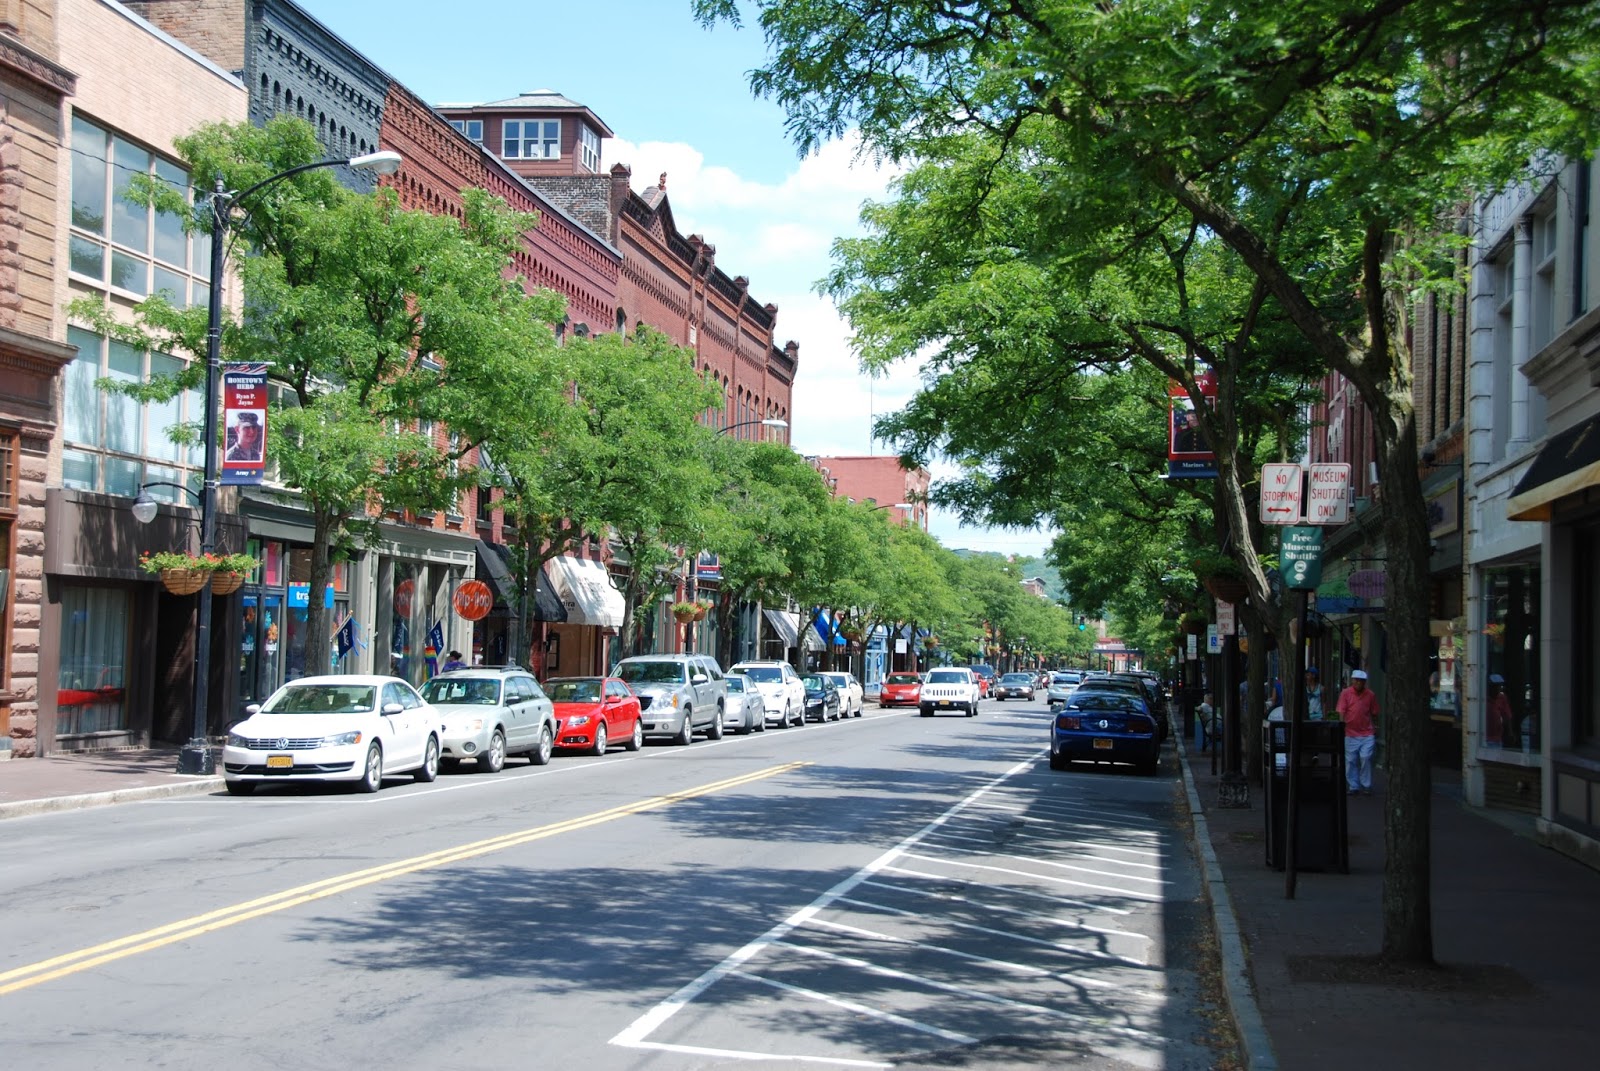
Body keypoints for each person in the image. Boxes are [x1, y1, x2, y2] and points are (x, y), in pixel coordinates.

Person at [1336, 669, 1380, 795]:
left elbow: (1375, 711)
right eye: (1356, 680)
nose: (1358, 683)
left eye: (1361, 681)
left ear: (1364, 682)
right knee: (1350, 760)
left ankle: (1366, 784)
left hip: (1367, 732)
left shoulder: (1370, 695)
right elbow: (1341, 711)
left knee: (1365, 757)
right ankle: (1354, 785)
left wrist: (1376, 726)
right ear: (1352, 680)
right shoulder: (1345, 693)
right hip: (1350, 732)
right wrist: (1342, 726)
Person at [1485, 672, 1511, 748]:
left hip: (1497, 738)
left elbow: (1507, 715)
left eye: (1499, 686)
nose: (1498, 688)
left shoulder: (1502, 697)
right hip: (1485, 738)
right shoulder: (1484, 698)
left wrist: (1510, 733)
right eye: (1495, 686)